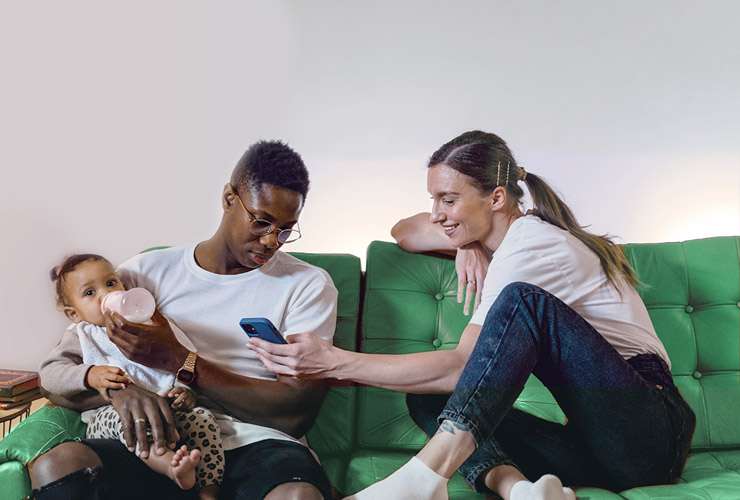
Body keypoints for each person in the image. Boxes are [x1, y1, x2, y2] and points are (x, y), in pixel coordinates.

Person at [247, 131, 696, 500]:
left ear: (496, 197)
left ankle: (423, 478)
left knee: (523, 301)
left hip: (651, 431)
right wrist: (466, 241)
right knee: (427, 398)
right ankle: (519, 491)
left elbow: (460, 366)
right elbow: (404, 231)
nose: (436, 214)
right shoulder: (503, 238)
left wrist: (334, 361)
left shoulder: (531, 243)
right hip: (596, 448)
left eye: (448, 200)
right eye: (434, 199)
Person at [31, 140, 338, 500]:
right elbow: (56, 375)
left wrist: (179, 359)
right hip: (160, 439)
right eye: (261, 221)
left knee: (297, 496)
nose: (272, 241)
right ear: (228, 198)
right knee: (58, 464)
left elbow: (295, 415)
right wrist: (119, 391)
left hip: (258, 444)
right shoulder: (142, 274)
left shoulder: (307, 285)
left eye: (286, 229)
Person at [41, 253, 224, 499]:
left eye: (110, 283)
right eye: (89, 293)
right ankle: (171, 466)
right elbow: (50, 373)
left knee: (203, 419)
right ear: (74, 313)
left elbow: (184, 361)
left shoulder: (150, 324)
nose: (105, 295)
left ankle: (208, 488)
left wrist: (185, 391)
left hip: (167, 410)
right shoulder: (82, 335)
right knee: (126, 416)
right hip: (111, 419)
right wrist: (89, 375)